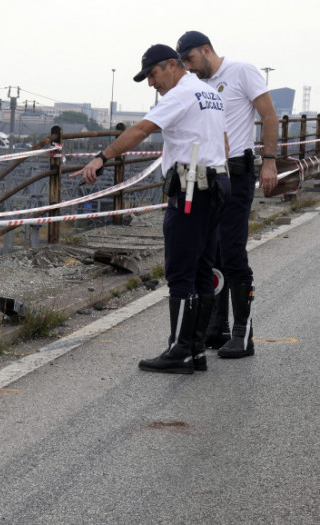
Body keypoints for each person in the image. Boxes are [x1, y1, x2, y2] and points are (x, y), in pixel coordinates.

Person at [73, 44, 229, 374]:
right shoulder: (208, 92)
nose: (151, 84)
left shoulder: (180, 94)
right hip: (215, 186)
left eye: (153, 74)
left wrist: (102, 158)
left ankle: (179, 351)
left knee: (180, 271)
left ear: (172, 65)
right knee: (202, 269)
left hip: (191, 189)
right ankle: (196, 350)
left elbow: (142, 129)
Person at [176, 31, 278, 360]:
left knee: (232, 251)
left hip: (239, 171)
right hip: (212, 174)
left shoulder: (241, 71)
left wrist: (270, 162)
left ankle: (242, 333)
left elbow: (270, 115)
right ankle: (216, 327)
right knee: (213, 252)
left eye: (191, 59)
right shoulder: (197, 84)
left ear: (206, 50)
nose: (189, 68)